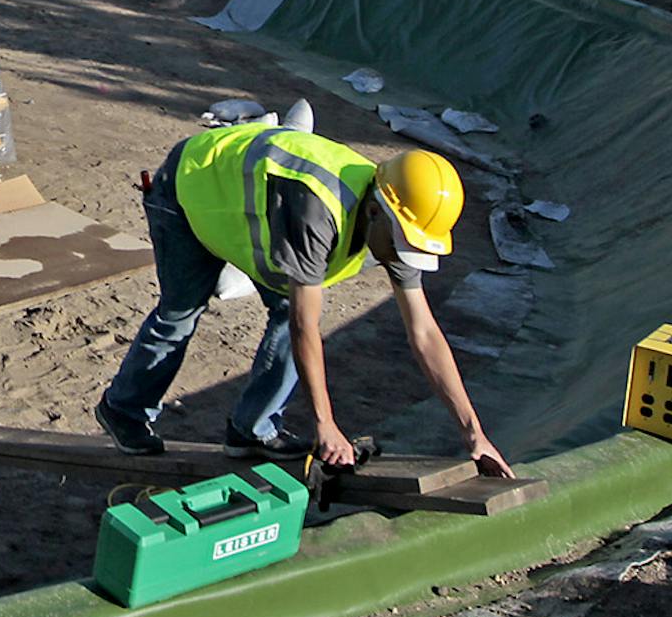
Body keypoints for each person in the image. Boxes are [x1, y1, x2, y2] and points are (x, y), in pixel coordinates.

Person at [94, 116, 513, 476]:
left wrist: (475, 435)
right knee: (181, 312)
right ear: (374, 212)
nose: (405, 257)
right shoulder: (318, 210)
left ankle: (252, 429)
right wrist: (324, 425)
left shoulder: (395, 219)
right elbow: (303, 325)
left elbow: (424, 334)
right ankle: (124, 409)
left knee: (283, 308)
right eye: (404, 245)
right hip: (189, 187)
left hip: (251, 215)